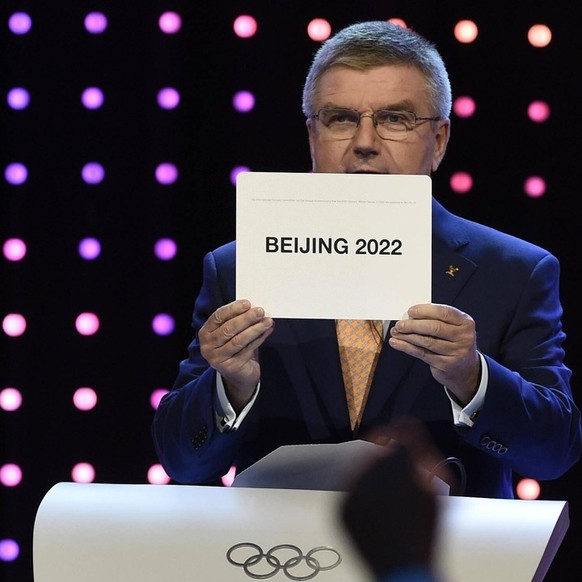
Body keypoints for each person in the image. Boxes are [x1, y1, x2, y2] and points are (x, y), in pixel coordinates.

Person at [152, 20, 581, 498]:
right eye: (340, 119)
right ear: (313, 137)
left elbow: (554, 453)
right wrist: (229, 386)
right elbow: (181, 463)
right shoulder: (238, 268)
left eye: (395, 118)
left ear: (438, 141)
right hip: (278, 560)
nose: (364, 142)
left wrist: (471, 377)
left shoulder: (515, 271)